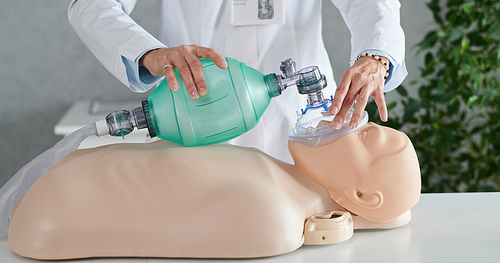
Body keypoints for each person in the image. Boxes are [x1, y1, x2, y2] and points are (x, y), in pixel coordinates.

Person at [68, 0, 407, 163]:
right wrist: (150, 53)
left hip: (305, 121)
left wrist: (375, 55)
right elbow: (93, 0)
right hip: (200, 120)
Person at [7, 122, 420, 260]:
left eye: (366, 135)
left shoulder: (274, 219)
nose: (347, 121)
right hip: (56, 199)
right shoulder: (276, 181)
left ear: (363, 197)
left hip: (55, 211)